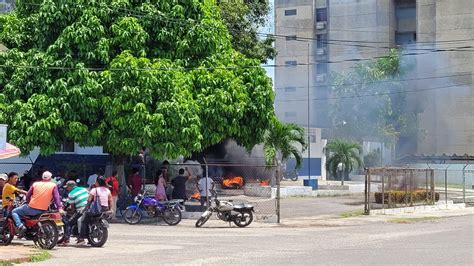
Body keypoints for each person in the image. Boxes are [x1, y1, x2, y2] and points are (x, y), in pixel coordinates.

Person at [78, 177, 111, 244]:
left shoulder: (94, 190)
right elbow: (110, 200)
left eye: (96, 182)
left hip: (96, 210)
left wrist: (85, 209)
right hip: (105, 209)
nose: (95, 183)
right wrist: (110, 209)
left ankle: (82, 236)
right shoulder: (107, 190)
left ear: (98, 183)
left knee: (83, 220)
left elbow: (89, 201)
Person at [61, 180, 89, 245]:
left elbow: (73, 208)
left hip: (81, 210)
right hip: (88, 209)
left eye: (67, 187)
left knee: (69, 223)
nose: (67, 189)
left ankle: (66, 240)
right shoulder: (84, 189)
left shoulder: (71, 194)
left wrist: (69, 211)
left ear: (71, 186)